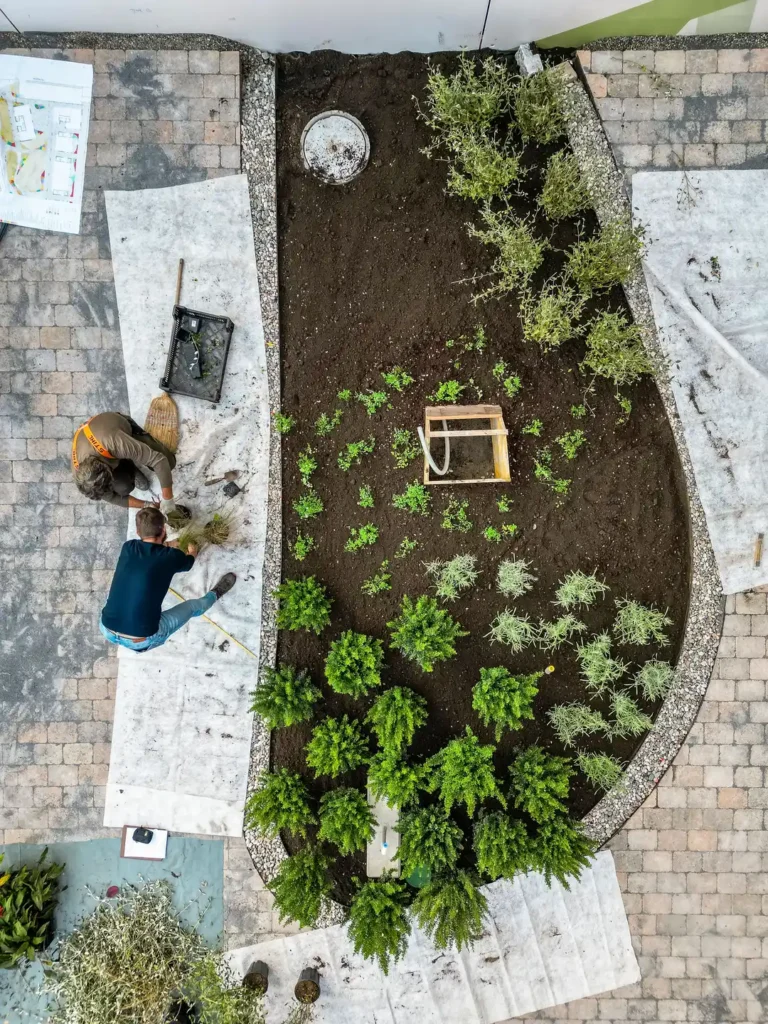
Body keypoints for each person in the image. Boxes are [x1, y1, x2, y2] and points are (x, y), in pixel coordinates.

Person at [100, 506, 236, 652]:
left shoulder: (128, 547)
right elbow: (188, 563)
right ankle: (215, 593)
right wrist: (192, 552)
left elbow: (150, 551)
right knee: (192, 607)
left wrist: (168, 545)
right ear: (164, 531)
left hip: (107, 628)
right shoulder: (171, 556)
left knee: (121, 590)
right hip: (143, 638)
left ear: (138, 532)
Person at [72, 411, 178, 512]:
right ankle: (130, 466)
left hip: (116, 429)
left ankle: (131, 456)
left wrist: (168, 498)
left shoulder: (115, 443)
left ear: (109, 469)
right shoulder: (83, 476)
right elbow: (111, 498)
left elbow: (159, 460)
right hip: (106, 454)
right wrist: (146, 505)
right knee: (123, 487)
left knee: (169, 463)